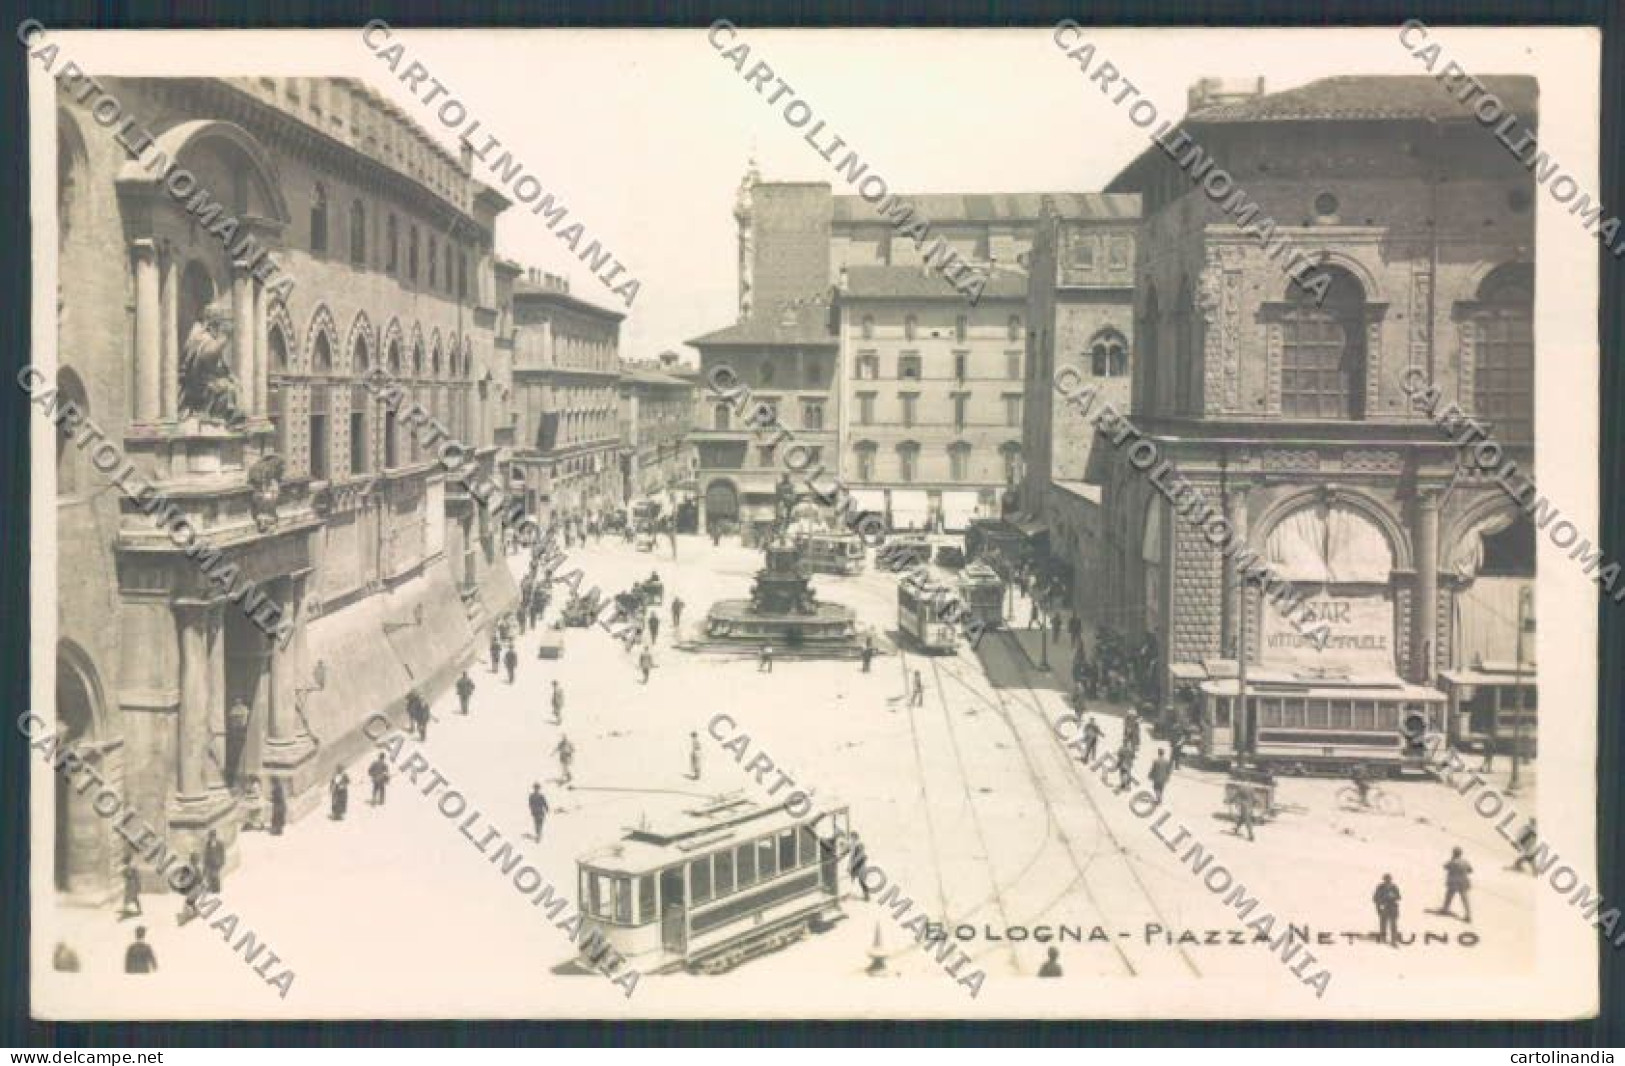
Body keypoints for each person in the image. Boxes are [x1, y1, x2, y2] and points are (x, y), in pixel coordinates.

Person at [1439, 847, 1473, 923]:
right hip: (1463, 882)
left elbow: (1445, 867)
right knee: (1464, 899)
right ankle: (1468, 915)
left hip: (1453, 882)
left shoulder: (1452, 862)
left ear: (1454, 853)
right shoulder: (1465, 862)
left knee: (1449, 896)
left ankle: (1445, 909)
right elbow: (1470, 870)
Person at [1373, 874, 1402, 946]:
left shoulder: (1394, 887)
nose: (1387, 881)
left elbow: (1399, 897)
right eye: (1386, 880)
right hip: (1384, 908)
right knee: (1383, 924)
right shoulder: (1380, 887)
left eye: (1389, 880)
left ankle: (1393, 940)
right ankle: (1383, 938)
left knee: (1393, 925)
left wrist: (1393, 896)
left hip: (1392, 908)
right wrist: (1379, 905)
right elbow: (1375, 898)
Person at [202, 829, 226, 894]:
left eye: (213, 836)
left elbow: (222, 854)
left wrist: (222, 862)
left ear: (215, 836)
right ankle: (212, 889)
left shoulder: (220, 844)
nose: (212, 837)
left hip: (217, 863)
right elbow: (205, 854)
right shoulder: (207, 844)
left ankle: (217, 889)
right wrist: (205, 864)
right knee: (210, 877)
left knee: (216, 876)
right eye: (210, 836)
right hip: (209, 864)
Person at [849, 833, 870, 902]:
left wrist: (853, 864)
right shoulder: (854, 845)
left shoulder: (859, 845)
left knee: (862, 881)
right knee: (860, 880)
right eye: (851, 838)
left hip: (861, 865)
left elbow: (860, 855)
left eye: (852, 838)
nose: (851, 840)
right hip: (857, 866)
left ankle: (867, 896)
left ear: (855, 838)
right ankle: (866, 896)